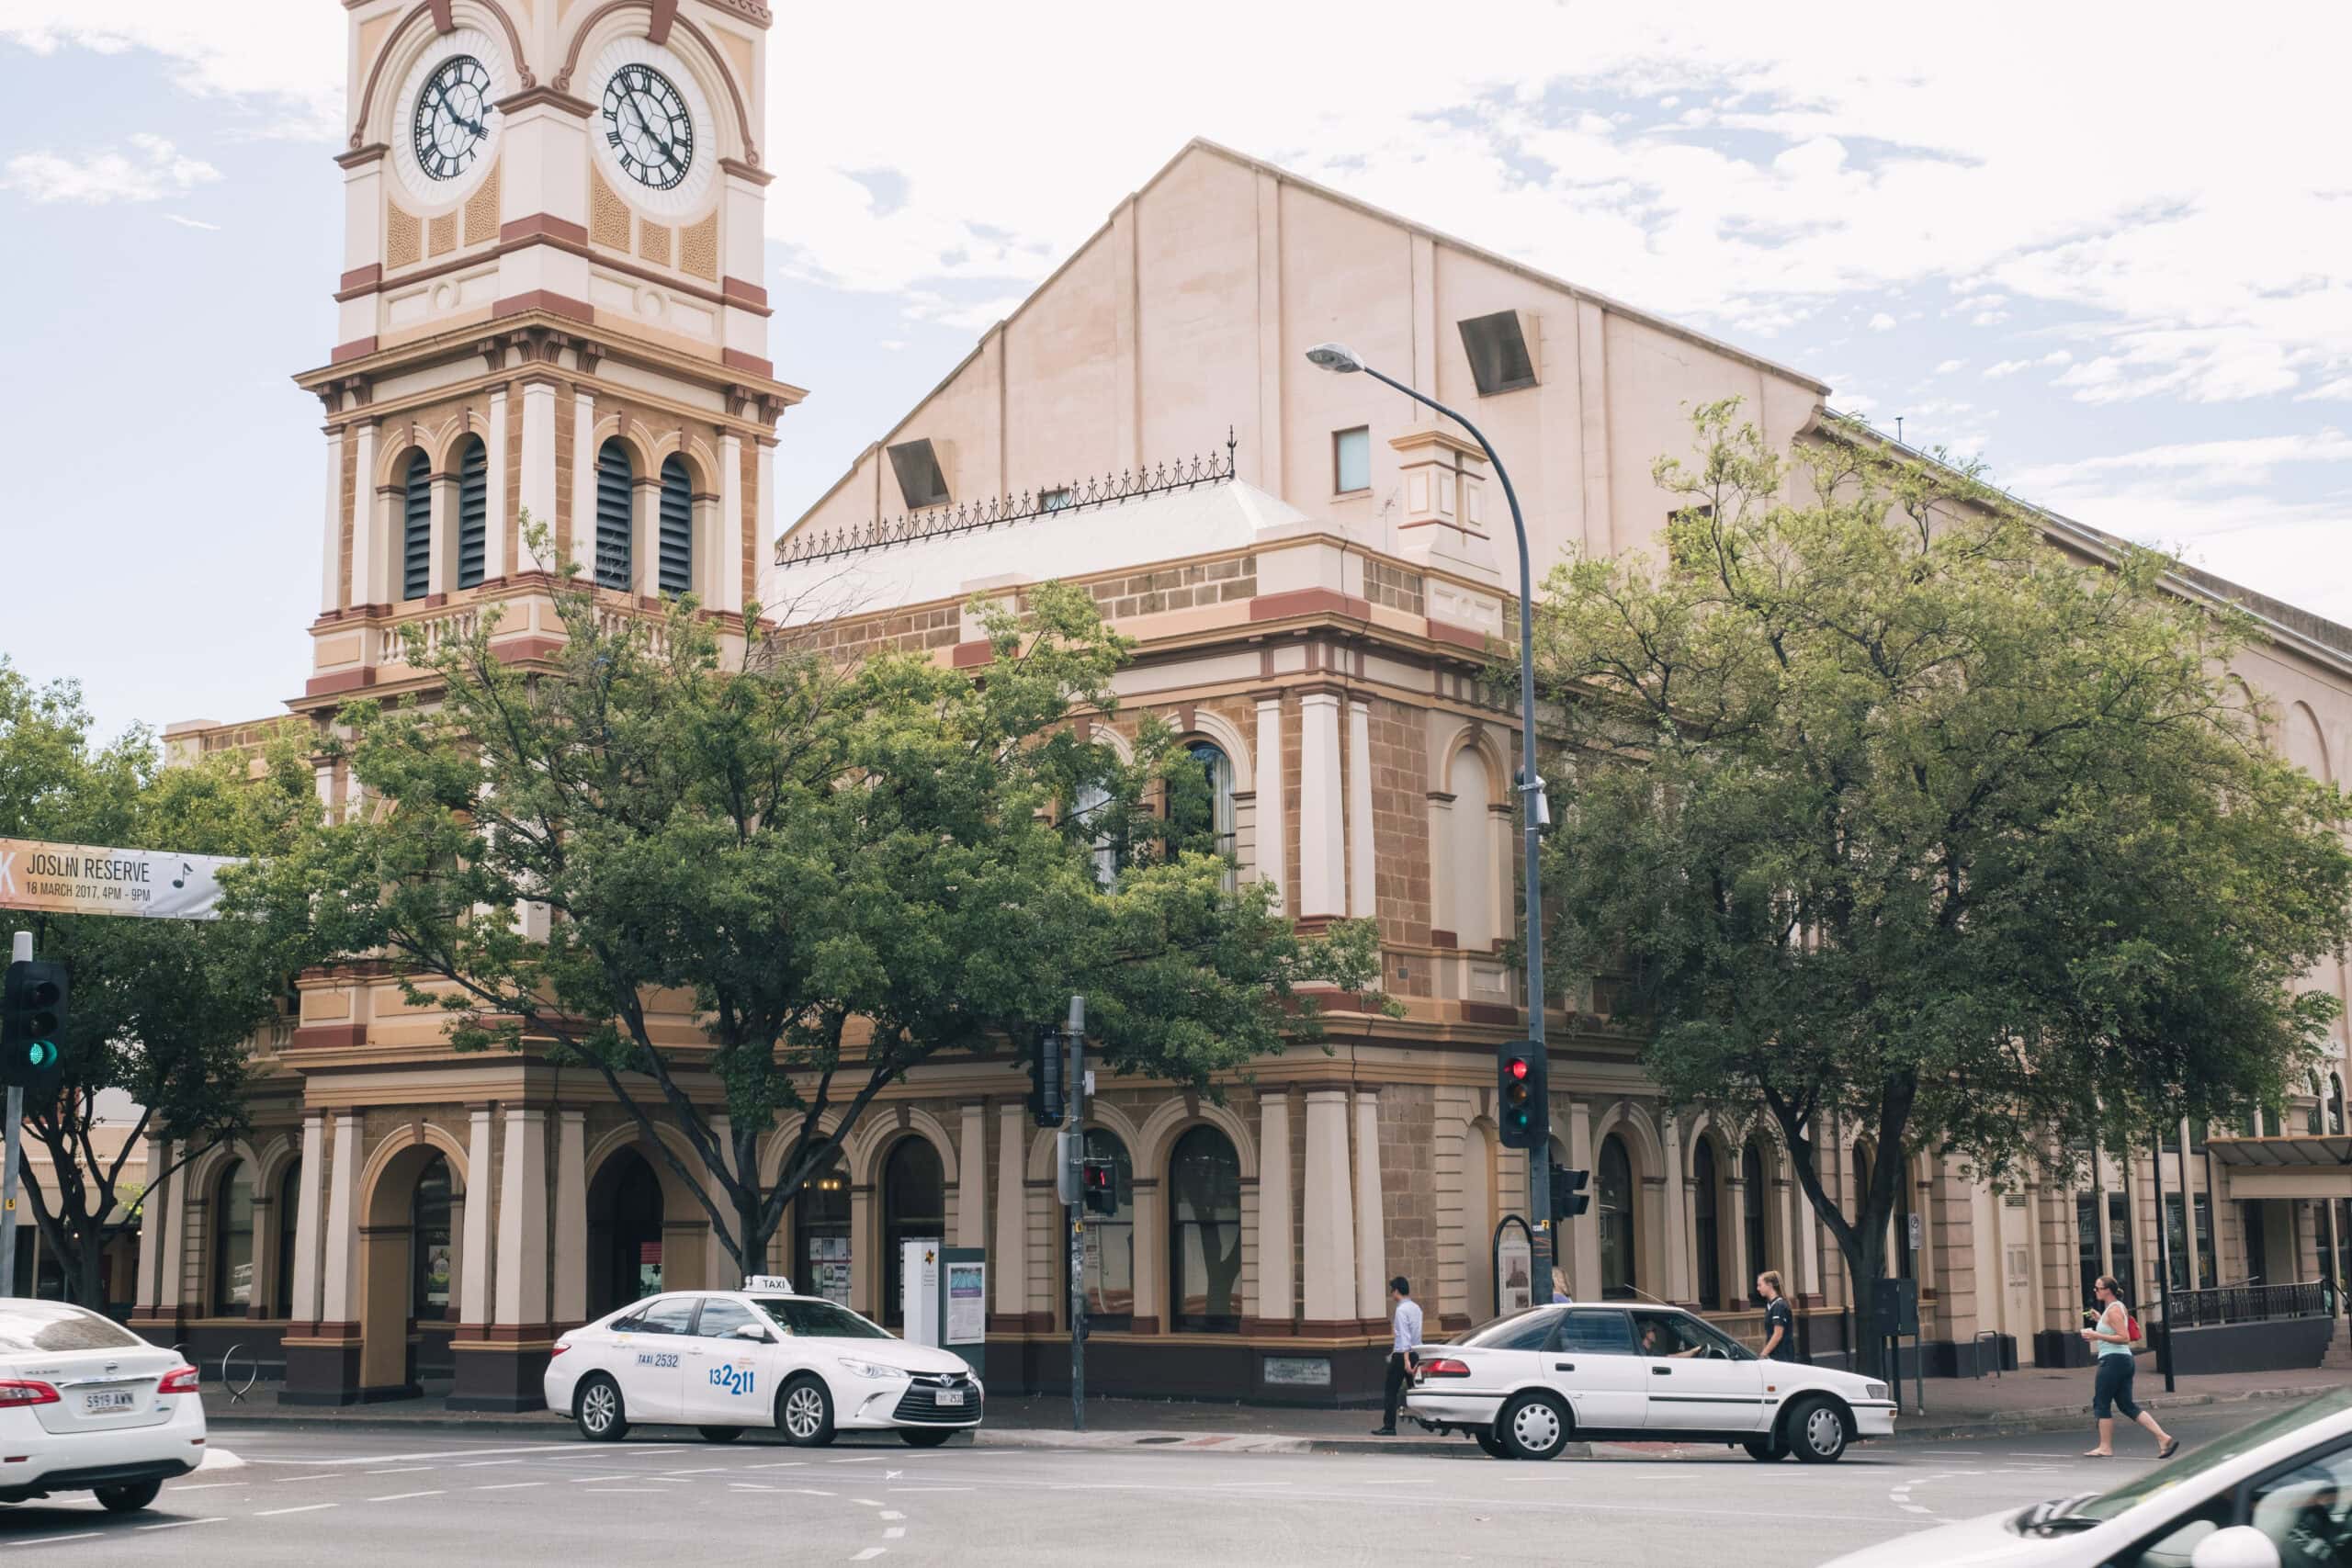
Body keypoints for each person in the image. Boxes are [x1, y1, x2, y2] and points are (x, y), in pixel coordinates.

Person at [2081, 1274, 2178, 1460]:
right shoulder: (2116, 1308)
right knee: (2126, 1405)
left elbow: (2124, 1337)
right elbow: (2114, 1328)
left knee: (2101, 1403)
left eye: (2098, 1288)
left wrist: (2096, 1335)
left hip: (2113, 1361)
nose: (2095, 1291)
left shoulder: (2113, 1310)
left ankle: (2105, 1447)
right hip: (2123, 1361)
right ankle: (2163, 1437)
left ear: (2108, 1291)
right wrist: (2100, 1319)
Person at [1371, 1276, 1423, 1437]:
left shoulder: (1401, 1310)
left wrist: (1406, 1360)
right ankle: (1427, 1419)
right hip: (1416, 1353)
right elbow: (1416, 1334)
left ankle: (1389, 1426)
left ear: (1397, 1291)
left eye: (1392, 1291)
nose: (1391, 1294)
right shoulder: (1416, 1308)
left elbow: (1404, 1336)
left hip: (1402, 1355)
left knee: (1390, 1391)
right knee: (1416, 1389)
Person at [1757, 1269, 1794, 1361]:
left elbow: (1778, 1334)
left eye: (1760, 1285)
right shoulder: (1770, 1305)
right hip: (1775, 1355)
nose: (1758, 1288)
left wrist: (1763, 1355)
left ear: (1770, 1285)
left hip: (1783, 1357)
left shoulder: (1779, 1305)